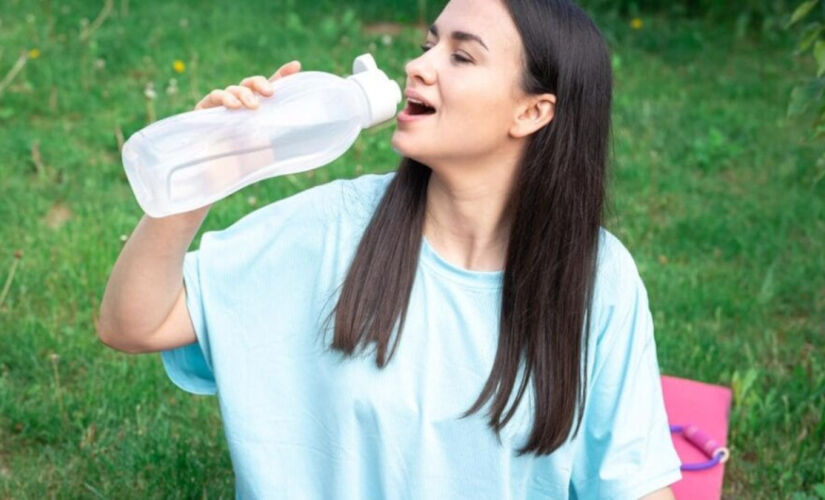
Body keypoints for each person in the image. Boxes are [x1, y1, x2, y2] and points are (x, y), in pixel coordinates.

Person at [97, 0, 682, 498]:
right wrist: (201, 177)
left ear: (532, 112)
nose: (417, 65)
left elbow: (637, 484)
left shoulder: (596, 278)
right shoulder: (335, 227)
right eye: (430, 44)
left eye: (460, 54)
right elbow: (134, 324)